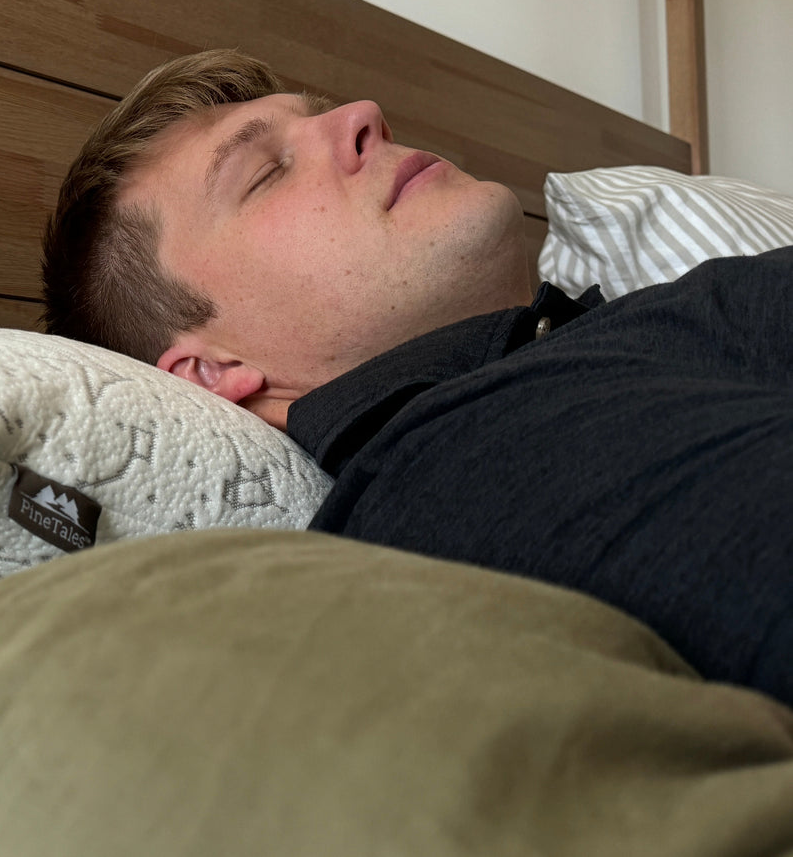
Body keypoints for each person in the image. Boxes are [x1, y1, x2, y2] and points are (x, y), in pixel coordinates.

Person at [42, 49, 793, 707]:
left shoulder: (583, 355)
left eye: (322, 113)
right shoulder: (484, 457)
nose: (365, 113)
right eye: (266, 172)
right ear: (215, 369)